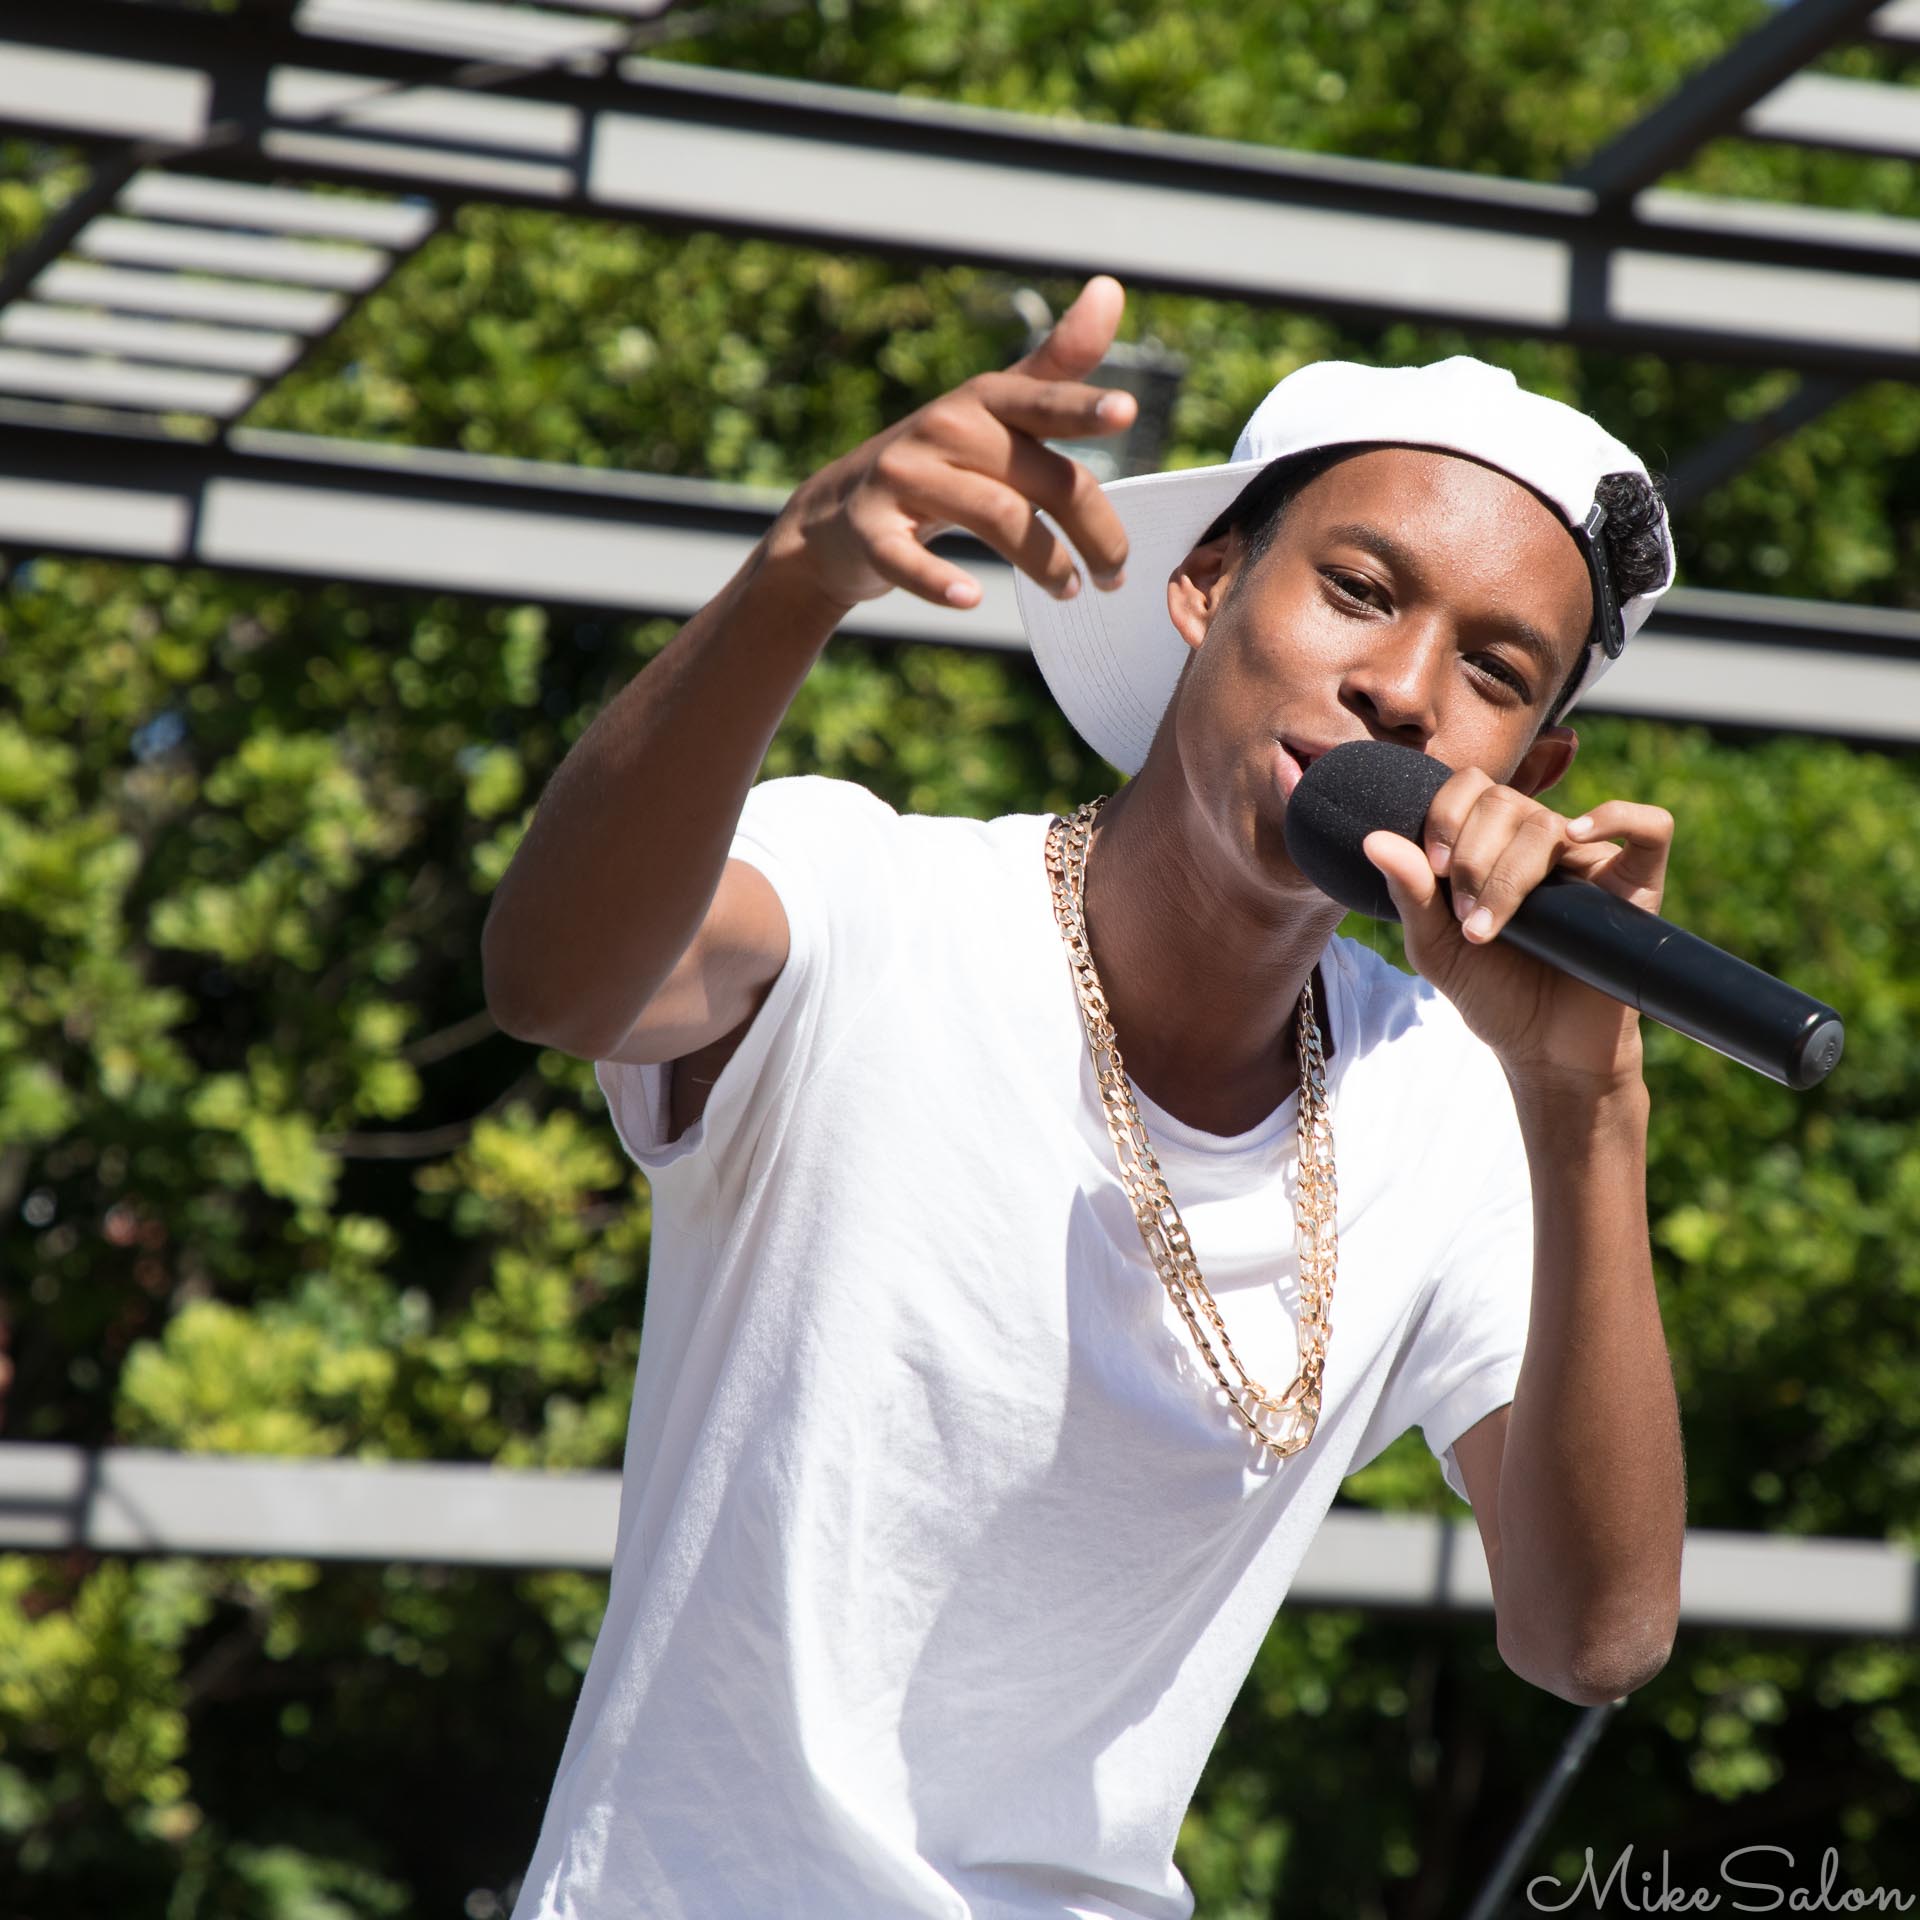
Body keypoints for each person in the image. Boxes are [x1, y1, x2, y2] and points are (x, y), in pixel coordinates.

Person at [485, 273, 1688, 1920]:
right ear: (1204, 587)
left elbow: (1591, 1636)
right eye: (1356, 588)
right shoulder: (863, 900)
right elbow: (551, 983)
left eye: (1493, 669)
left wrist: (1589, 1100)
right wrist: (794, 578)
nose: (1402, 688)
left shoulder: (1455, 1106)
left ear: (1529, 773)